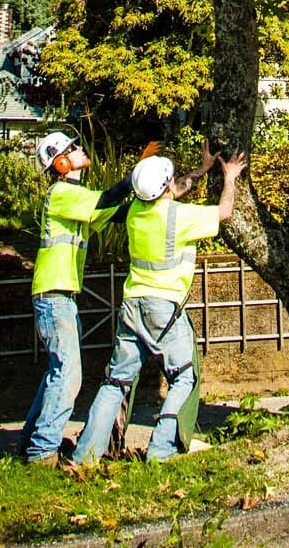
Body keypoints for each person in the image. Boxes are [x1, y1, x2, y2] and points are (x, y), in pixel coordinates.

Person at [70, 142, 247, 466]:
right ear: (166, 186)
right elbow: (224, 212)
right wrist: (230, 177)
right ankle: (161, 450)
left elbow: (172, 189)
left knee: (116, 382)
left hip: (132, 305)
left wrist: (202, 170)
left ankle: (85, 455)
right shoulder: (180, 216)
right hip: (164, 309)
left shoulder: (135, 211)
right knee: (184, 376)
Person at [18, 131, 135, 466]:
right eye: (73, 148)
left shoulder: (76, 198)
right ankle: (42, 451)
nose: (81, 150)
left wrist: (153, 196)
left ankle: (31, 441)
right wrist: (136, 176)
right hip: (54, 295)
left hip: (61, 295)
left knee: (57, 371)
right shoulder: (62, 194)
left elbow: (114, 211)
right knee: (69, 373)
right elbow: (107, 198)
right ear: (60, 162)